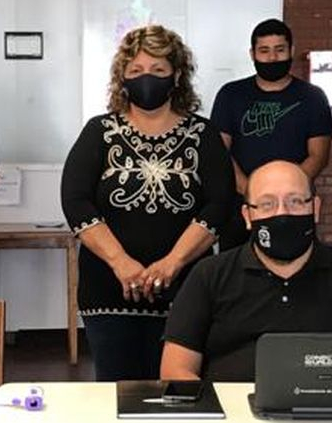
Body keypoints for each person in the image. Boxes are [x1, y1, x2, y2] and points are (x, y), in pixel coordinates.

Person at [60, 24, 235, 381]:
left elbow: (220, 205)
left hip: (186, 291)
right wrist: (121, 262)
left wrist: (172, 263)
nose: (147, 78)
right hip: (108, 291)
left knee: (180, 393)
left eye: (158, 69)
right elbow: (75, 201)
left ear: (177, 75)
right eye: (136, 70)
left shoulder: (203, 135)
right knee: (116, 392)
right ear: (122, 77)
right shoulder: (99, 132)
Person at [161, 161, 332, 382]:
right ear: (247, 215)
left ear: (315, 208)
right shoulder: (209, 275)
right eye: (267, 204)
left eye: (295, 201)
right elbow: (174, 370)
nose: (282, 213)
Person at [211, 19, 332, 250]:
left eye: (279, 50)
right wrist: (253, 194)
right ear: (252, 54)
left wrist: (285, 196)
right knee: (237, 268)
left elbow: (318, 156)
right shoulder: (230, 95)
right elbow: (219, 152)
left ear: (291, 51)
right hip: (242, 208)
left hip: (294, 208)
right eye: (264, 51)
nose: (272, 58)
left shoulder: (313, 97)